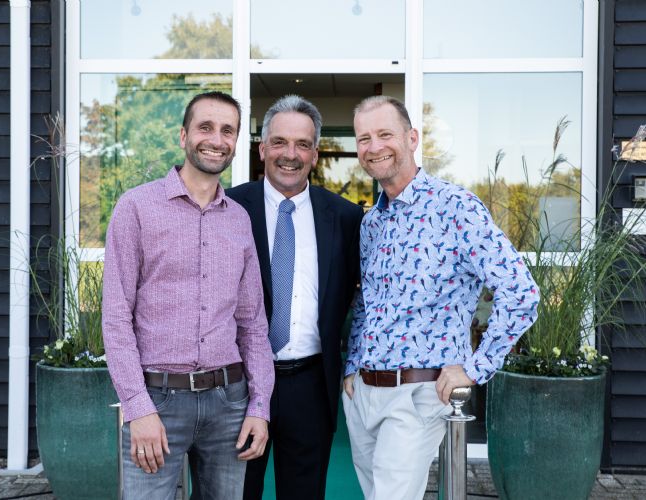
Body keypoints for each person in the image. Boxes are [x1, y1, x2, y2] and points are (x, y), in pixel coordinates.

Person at [343, 95, 539, 500]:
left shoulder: (455, 208)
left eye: (385, 134)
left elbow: (521, 291)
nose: (374, 147)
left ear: (412, 138)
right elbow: (367, 300)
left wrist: (476, 367)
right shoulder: (372, 221)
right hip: (363, 395)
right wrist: (352, 366)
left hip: (417, 394)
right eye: (364, 138)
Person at [102, 91, 275, 500]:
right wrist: (138, 407)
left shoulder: (239, 219)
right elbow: (116, 318)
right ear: (184, 136)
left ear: (236, 142)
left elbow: (252, 324)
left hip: (229, 403)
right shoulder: (136, 208)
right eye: (205, 127)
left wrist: (259, 407)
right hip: (157, 400)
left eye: (227, 131)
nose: (216, 139)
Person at [225, 95, 363, 500]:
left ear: (315, 155)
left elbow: (356, 297)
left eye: (303, 144)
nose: (290, 154)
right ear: (262, 148)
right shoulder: (228, 207)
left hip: (310, 384)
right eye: (280, 142)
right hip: (239, 383)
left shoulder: (345, 217)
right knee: (235, 492)